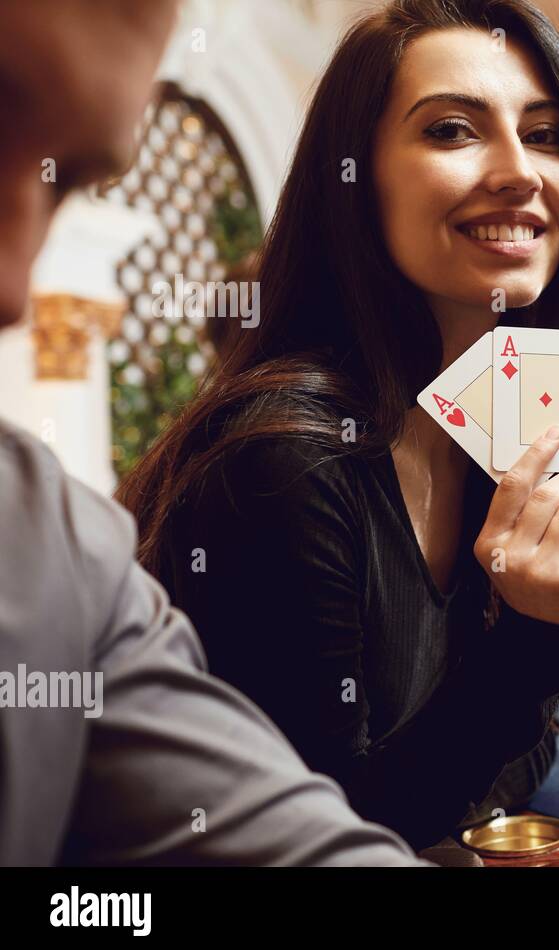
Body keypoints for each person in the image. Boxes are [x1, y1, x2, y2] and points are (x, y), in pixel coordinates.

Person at [116, 0, 559, 851]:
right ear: (354, 179)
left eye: (544, 135)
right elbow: (325, 837)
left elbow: (506, 769)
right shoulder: (285, 458)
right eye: (453, 131)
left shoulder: (503, 425)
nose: (519, 171)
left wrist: (526, 667)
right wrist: (537, 649)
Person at [0, 0, 428, 865]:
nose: (14, 288)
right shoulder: (278, 455)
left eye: (65, 181)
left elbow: (300, 843)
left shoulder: (51, 545)